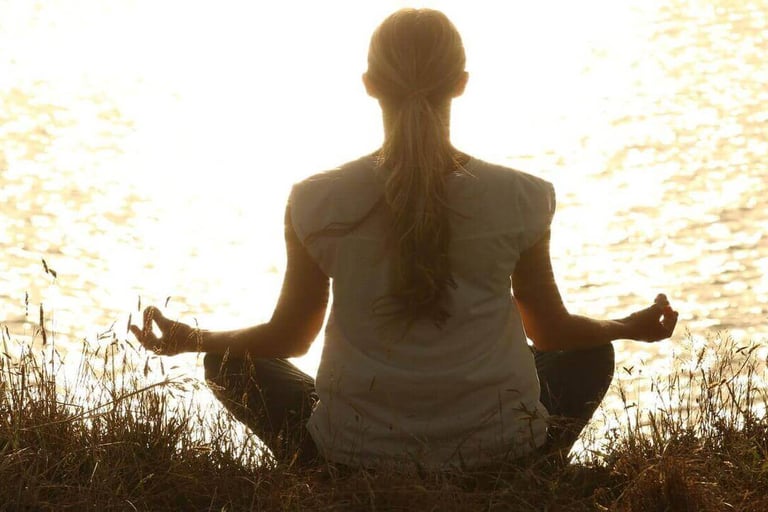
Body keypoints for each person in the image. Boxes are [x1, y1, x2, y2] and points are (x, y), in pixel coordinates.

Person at [131, 8, 678, 469]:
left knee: (228, 362)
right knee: (589, 355)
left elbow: (290, 338)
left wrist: (192, 338)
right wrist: (626, 327)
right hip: (500, 450)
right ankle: (519, 469)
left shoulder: (315, 200)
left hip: (354, 455)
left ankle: (326, 474)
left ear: (369, 86)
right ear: (461, 83)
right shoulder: (522, 195)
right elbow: (552, 331)